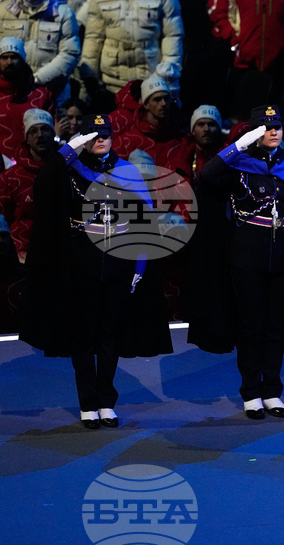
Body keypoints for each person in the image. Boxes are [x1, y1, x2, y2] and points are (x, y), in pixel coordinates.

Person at [19, 113, 170, 429]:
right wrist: (69, 148)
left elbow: (144, 222)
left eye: (105, 134)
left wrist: (140, 265)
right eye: (92, 135)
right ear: (82, 140)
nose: (100, 139)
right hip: (80, 262)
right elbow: (44, 181)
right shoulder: (69, 169)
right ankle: (88, 402)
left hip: (118, 262)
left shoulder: (127, 171)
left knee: (110, 335)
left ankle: (106, 401)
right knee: (83, 336)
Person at [195, 105, 284, 419]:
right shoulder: (239, 164)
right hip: (247, 256)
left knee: (276, 327)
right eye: (266, 127)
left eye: (277, 126)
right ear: (254, 132)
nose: (273, 132)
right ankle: (250, 392)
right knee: (252, 326)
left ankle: (272, 391)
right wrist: (240, 143)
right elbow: (207, 175)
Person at [79, 0, 184, 94]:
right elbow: (93, 39)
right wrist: (89, 77)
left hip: (149, 83)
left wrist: (166, 77)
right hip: (111, 84)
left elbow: (172, 38)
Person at [0, 0, 79, 100]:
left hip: (51, 91)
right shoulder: (4, 10)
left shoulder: (62, 12)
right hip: (10, 90)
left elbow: (70, 53)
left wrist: (37, 78)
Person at [0, 108, 56, 261]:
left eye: (45, 129)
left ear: (53, 134)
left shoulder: (68, 171)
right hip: (22, 255)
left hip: (59, 254)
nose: (40, 135)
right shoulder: (10, 178)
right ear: (27, 139)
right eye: (33, 131)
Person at [0, 36, 53, 163]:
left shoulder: (41, 94)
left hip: (36, 166)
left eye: (14, 57)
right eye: (4, 57)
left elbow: (51, 133)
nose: (9, 62)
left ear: (23, 60)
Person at [114, 75, 185, 168]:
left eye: (166, 98)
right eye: (157, 99)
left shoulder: (183, 139)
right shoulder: (126, 142)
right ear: (146, 104)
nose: (163, 104)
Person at [168, 105, 223, 183]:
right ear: (193, 131)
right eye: (201, 124)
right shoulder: (180, 158)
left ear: (219, 130)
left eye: (211, 124)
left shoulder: (230, 157)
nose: (206, 129)